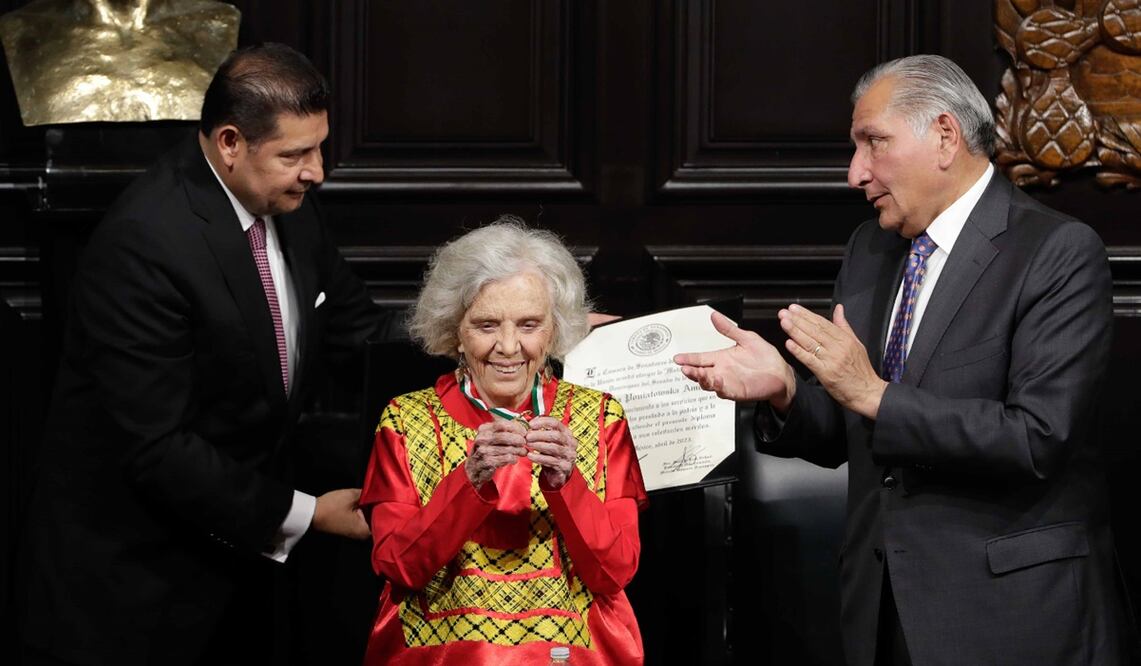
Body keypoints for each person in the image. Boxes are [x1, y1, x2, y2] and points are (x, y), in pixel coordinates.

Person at [675, 55, 1130, 665]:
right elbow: (849, 430)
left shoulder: (1055, 252)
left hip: (1012, 616)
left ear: (945, 136)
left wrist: (872, 394)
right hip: (883, 610)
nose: (855, 172)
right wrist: (784, 390)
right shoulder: (872, 248)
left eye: (874, 142)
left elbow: (1036, 437)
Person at [18, 43, 400, 665]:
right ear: (229, 142)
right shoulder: (144, 245)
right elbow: (159, 449)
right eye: (295, 154)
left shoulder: (290, 207)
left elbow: (361, 334)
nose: (317, 172)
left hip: (237, 571)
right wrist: (308, 514)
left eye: (318, 148)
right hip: (132, 592)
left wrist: (505, 335)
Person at [360, 218, 647, 665]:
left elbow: (615, 572)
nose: (509, 346)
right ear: (455, 329)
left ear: (555, 330)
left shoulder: (599, 415)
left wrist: (567, 484)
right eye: (487, 325)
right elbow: (399, 568)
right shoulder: (405, 418)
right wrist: (469, 482)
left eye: (529, 324)